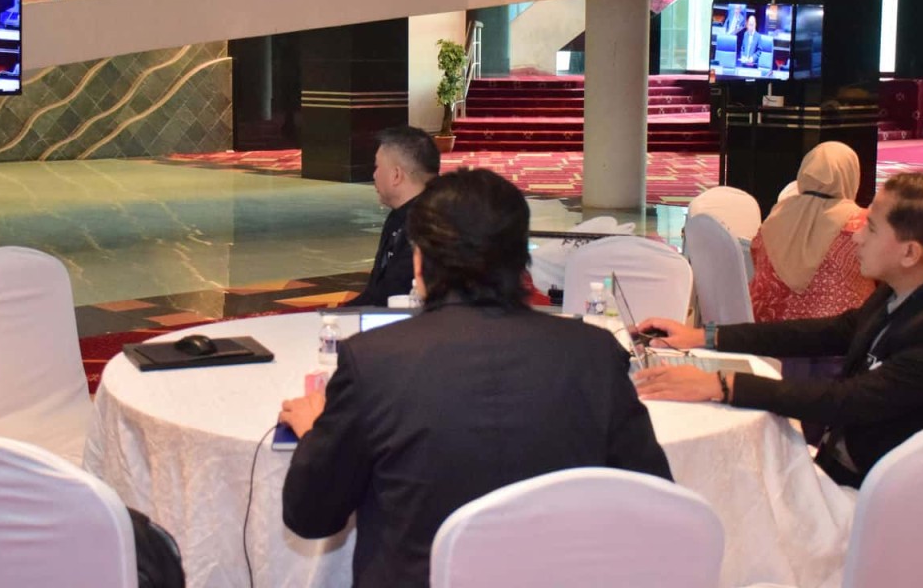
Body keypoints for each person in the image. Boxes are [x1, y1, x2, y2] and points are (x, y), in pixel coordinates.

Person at [280, 168, 672, 587]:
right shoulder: (594, 353)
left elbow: (312, 516)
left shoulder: (372, 360)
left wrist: (317, 434)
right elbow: (652, 501)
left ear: (419, 262)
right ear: (522, 261)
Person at [635, 173, 923, 488]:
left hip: (886, 497)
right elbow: (831, 331)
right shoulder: (905, 290)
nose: (857, 237)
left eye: (871, 228)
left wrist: (723, 385)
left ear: (910, 253)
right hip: (854, 467)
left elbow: (850, 400)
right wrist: (706, 336)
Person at [750, 141, 875, 322]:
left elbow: (755, 255)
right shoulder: (863, 223)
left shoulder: (776, 215)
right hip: (834, 331)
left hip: (765, 327)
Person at [343, 125, 440, 307]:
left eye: (377, 167)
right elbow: (377, 289)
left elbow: (393, 292)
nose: (374, 175)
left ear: (396, 175)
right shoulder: (399, 216)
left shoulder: (433, 225)